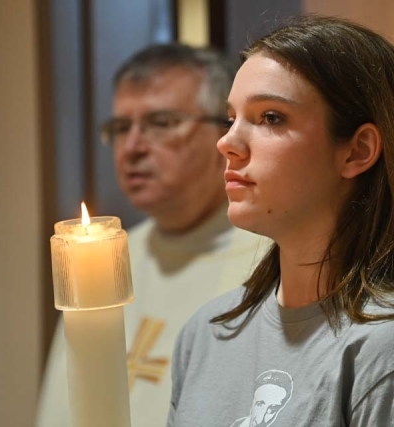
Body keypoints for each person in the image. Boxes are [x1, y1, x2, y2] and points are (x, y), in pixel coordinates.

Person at [168, 16, 394, 426]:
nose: (227, 142)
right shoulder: (205, 335)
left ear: (357, 151)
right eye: (231, 118)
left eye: (270, 117)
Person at [35, 44, 268, 427]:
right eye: (121, 128)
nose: (132, 148)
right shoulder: (95, 257)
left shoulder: (273, 260)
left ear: (225, 131)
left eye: (161, 123)